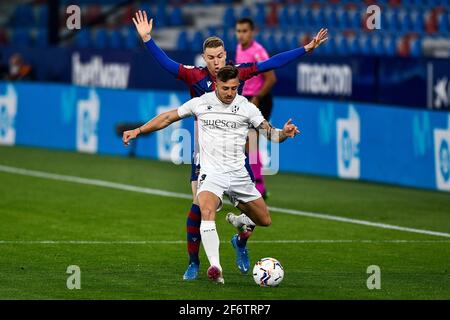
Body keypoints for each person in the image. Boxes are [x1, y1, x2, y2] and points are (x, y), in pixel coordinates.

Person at [132, 10, 327, 280]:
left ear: (226, 54)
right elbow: (166, 66)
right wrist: (148, 39)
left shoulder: (238, 76)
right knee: (199, 208)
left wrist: (306, 49)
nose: (215, 62)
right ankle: (196, 263)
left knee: (257, 214)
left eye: (220, 56)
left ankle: (240, 240)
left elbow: (271, 63)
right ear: (204, 59)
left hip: (236, 152)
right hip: (205, 152)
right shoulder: (194, 77)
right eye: (210, 58)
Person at [122, 65, 300, 284]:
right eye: (226, 88)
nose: (230, 93)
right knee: (206, 210)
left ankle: (239, 230)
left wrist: (284, 134)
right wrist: (138, 130)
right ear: (216, 84)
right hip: (211, 173)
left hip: (238, 175)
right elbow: (168, 117)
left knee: (264, 220)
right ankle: (215, 267)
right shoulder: (201, 102)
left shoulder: (246, 107)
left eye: (234, 88)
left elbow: (269, 133)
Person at [235, 17, 276, 200]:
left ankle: (258, 186)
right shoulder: (238, 49)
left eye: (244, 31)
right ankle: (253, 184)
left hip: (259, 100)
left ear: (252, 32)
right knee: (244, 143)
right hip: (245, 100)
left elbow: (271, 78)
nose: (241, 34)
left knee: (251, 142)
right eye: (239, 31)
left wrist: (257, 98)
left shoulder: (258, 51)